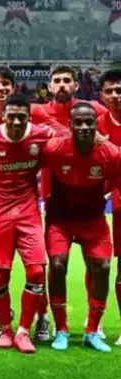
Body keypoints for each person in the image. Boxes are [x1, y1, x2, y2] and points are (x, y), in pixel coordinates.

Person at [0, 94, 52, 354]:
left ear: (29, 117)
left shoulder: (41, 135)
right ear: (3, 116)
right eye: (11, 117)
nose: (16, 122)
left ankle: (23, 331)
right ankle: (5, 328)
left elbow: (66, 141)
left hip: (29, 211)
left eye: (21, 117)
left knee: (37, 272)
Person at [43, 103, 118, 353]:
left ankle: (92, 331)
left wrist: (102, 193)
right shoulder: (54, 149)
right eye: (79, 123)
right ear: (70, 125)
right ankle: (61, 329)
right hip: (60, 220)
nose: (84, 127)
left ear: (96, 125)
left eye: (89, 122)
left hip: (93, 220)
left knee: (103, 268)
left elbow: (115, 179)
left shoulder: (109, 153)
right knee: (57, 265)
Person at [96, 68, 121, 345]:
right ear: (101, 95)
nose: (115, 95)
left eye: (120, 90)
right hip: (113, 202)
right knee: (102, 264)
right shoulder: (95, 125)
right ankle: (97, 324)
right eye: (110, 91)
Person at [0, 65, 63, 134]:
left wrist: (51, 131)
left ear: (13, 88)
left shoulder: (33, 110)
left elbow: (63, 132)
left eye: (5, 83)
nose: (0, 88)